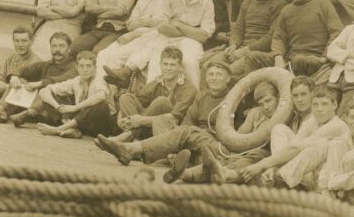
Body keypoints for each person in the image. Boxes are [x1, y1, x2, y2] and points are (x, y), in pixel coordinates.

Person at [96, 61, 270, 183]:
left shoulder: (236, 99)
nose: (214, 78)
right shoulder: (202, 95)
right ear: (206, 78)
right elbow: (187, 120)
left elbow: (238, 135)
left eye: (219, 75)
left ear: (228, 78)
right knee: (163, 120)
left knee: (188, 134)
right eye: (211, 75)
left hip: (216, 142)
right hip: (193, 136)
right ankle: (175, 157)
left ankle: (132, 150)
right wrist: (177, 140)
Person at [104, 0, 214, 89]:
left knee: (190, 62)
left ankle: (193, 99)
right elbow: (162, 27)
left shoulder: (207, 2)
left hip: (190, 41)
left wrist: (179, 24)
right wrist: (194, 30)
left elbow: (204, 36)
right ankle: (150, 98)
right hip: (166, 36)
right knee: (156, 64)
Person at [240, 0, 342, 76]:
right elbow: (279, 37)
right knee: (252, 57)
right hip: (290, 59)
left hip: (313, 59)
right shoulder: (287, 10)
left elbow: (337, 31)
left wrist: (325, 56)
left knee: (298, 61)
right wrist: (278, 56)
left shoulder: (323, 4)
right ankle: (257, 90)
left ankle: (279, 80)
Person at [204, 0, 287, 81]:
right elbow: (238, 29)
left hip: (257, 53)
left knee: (226, 74)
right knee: (208, 66)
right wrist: (233, 45)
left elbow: (272, 37)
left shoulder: (280, 4)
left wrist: (246, 50)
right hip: (240, 49)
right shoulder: (247, 2)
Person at [0, 31, 78, 125]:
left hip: (58, 109)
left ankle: (22, 114)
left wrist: (38, 84)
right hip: (38, 106)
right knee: (21, 81)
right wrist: (15, 76)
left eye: (61, 46)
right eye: (54, 46)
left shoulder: (74, 68)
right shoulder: (47, 65)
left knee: (48, 90)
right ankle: (1, 108)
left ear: (69, 49)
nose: (57, 50)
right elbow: (25, 71)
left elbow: (60, 80)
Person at [94, 0, 169, 81]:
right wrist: (148, 22)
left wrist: (140, 26)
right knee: (103, 54)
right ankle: (103, 91)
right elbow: (130, 25)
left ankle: (122, 77)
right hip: (137, 37)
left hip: (153, 39)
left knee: (118, 56)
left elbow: (163, 26)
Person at [107, 47, 198, 142]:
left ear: (180, 67)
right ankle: (135, 140)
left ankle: (126, 137)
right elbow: (136, 104)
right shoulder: (155, 83)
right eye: (165, 64)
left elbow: (174, 118)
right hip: (147, 128)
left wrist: (139, 120)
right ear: (160, 65)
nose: (168, 68)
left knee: (162, 102)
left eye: (173, 65)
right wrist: (121, 117)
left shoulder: (189, 88)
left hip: (167, 129)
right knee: (126, 97)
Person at [238, 76, 315, 185]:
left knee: (279, 129)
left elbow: (295, 149)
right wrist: (271, 169)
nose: (299, 100)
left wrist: (262, 166)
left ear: (312, 94)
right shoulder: (296, 119)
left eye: (303, 94)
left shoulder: (317, 117)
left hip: (314, 175)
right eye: (295, 96)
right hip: (296, 170)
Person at [36, 51, 118, 139]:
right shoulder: (76, 80)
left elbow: (100, 96)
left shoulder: (99, 79)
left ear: (95, 68)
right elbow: (44, 91)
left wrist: (74, 108)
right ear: (77, 68)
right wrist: (58, 107)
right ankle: (74, 130)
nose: (85, 69)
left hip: (101, 124)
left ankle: (60, 128)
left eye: (88, 66)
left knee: (101, 105)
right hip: (83, 120)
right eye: (81, 66)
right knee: (49, 99)